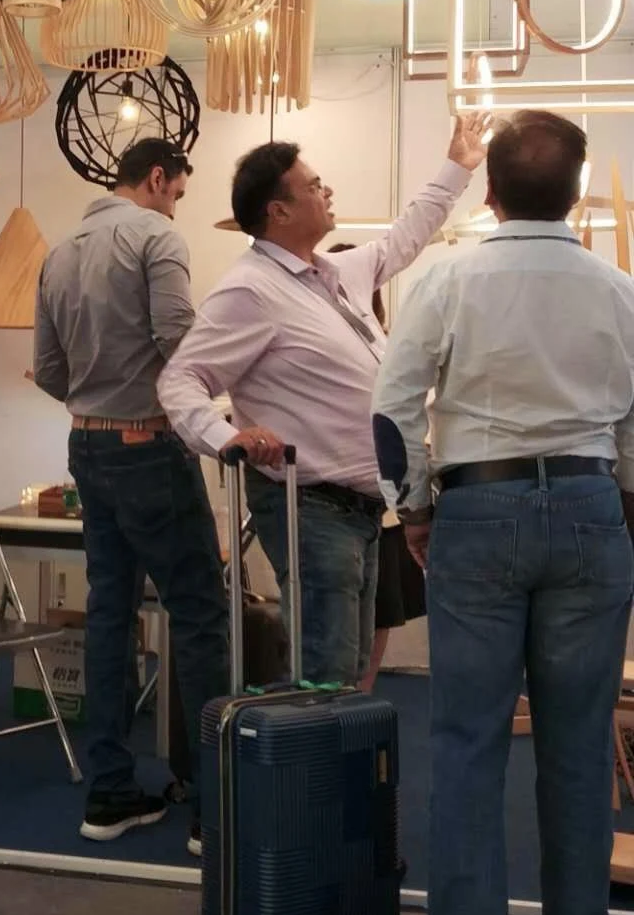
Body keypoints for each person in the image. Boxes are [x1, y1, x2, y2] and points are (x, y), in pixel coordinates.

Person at [373, 108, 634, 915]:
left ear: (488, 191)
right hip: (591, 507)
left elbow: (393, 406)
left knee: (468, 743)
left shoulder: (449, 279)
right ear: (577, 191)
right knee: (579, 744)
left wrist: (413, 508)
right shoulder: (619, 290)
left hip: (478, 512)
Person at [158, 116, 485, 687]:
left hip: (359, 507)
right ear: (278, 212)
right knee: (326, 674)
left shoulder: (335, 272)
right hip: (311, 507)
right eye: (313, 186)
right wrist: (227, 439)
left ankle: (334, 747)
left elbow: (407, 235)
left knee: (349, 671)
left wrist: (457, 166)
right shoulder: (249, 290)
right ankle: (314, 750)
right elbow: (179, 381)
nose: (326, 191)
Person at [34, 136, 229, 855]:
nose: (176, 205)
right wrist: (225, 400)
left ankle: (109, 793)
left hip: (87, 447)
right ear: (157, 178)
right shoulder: (156, 237)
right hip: (150, 447)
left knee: (109, 616)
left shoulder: (59, 253)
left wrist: (97, 399)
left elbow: (47, 370)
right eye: (177, 192)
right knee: (200, 615)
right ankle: (214, 809)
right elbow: (181, 339)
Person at [327, 243, 427, 694]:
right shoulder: (323, 334)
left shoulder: (381, 338)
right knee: (350, 605)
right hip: (346, 486)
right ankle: (350, 694)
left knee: (383, 603)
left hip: (381, 490)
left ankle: (363, 691)